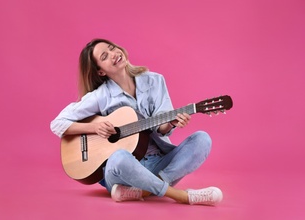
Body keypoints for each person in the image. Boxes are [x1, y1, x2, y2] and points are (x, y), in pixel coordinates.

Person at [50, 38, 223, 205]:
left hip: (160, 164)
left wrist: (171, 123)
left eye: (111, 48)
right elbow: (57, 123)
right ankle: (181, 196)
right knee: (118, 157)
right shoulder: (101, 96)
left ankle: (145, 190)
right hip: (124, 172)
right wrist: (95, 127)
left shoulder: (155, 81)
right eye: (104, 56)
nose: (113, 53)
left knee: (202, 139)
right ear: (100, 71)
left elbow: (162, 127)